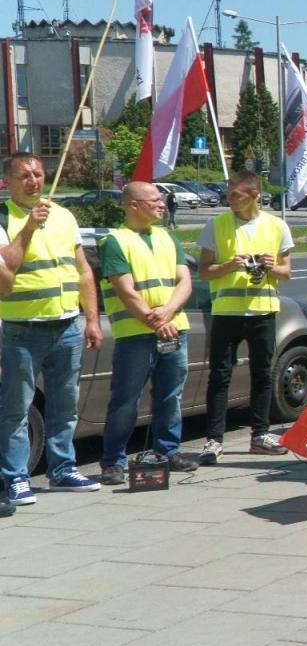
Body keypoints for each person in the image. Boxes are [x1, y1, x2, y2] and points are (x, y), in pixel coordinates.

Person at [0, 152, 104, 509]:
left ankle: (63, 468)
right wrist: (28, 226)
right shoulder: (4, 217)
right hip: (22, 328)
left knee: (66, 403)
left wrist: (90, 318)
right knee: (16, 407)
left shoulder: (63, 216)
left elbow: (83, 271)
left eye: (38, 174)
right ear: (8, 181)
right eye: (24, 176)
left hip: (67, 325)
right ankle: (15, 477)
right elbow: (8, 268)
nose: (34, 181)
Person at [98, 181, 200, 484]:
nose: (162, 204)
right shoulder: (115, 241)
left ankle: (168, 451)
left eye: (161, 199)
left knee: (170, 396)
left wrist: (168, 313)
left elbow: (185, 282)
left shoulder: (167, 238)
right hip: (135, 334)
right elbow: (126, 291)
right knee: (126, 399)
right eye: (154, 200)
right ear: (133, 205)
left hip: (174, 330)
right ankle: (112, 462)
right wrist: (156, 321)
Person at [197, 170, 293, 464]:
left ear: (254, 195)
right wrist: (228, 266)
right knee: (220, 375)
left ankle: (259, 436)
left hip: (262, 311)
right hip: (226, 312)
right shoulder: (216, 224)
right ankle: (214, 440)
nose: (230, 200)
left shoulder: (277, 226)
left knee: (263, 374)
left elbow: (286, 272)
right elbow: (203, 271)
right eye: (228, 193)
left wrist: (270, 266)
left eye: (236, 195)